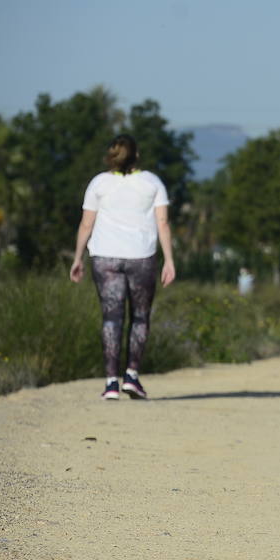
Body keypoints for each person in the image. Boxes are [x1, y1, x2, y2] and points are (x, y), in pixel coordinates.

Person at [69, 134, 176, 400]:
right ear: (137, 155)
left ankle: (110, 383)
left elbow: (86, 224)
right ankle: (132, 375)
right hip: (141, 256)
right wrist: (169, 260)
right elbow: (162, 223)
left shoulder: (99, 183)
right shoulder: (152, 182)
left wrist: (77, 258)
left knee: (111, 318)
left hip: (105, 257)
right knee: (140, 317)